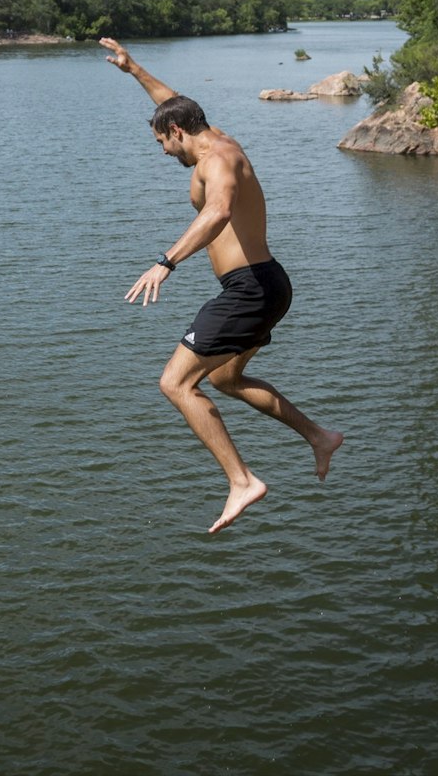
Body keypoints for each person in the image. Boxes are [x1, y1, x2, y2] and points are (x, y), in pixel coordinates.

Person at [101, 37, 343, 533]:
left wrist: (165, 262)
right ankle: (318, 435)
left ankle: (242, 481)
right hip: (267, 284)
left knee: (175, 383)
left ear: (176, 133)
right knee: (225, 379)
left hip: (249, 289)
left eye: (162, 144)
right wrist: (135, 70)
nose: (164, 153)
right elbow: (176, 103)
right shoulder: (212, 135)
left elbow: (218, 211)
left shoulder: (217, 162)